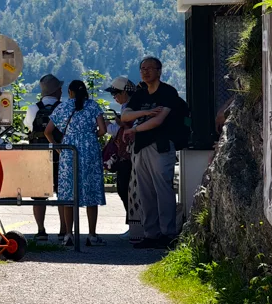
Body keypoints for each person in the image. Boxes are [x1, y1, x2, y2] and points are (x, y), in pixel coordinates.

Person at [120, 56, 184, 247]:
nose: (145, 71)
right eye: (142, 68)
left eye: (149, 68)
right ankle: (151, 234)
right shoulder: (140, 94)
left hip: (162, 146)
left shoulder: (168, 92)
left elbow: (159, 120)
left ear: (159, 70)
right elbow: (125, 115)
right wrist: (145, 113)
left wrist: (134, 129)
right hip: (141, 147)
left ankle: (168, 233)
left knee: (163, 189)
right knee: (145, 191)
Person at [45, 79, 107, 246]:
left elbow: (48, 131)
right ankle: (92, 235)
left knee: (67, 193)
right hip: (90, 151)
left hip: (68, 150)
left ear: (70, 92)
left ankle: (68, 235)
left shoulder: (63, 107)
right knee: (91, 191)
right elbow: (103, 130)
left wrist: (58, 147)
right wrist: (90, 137)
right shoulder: (93, 106)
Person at [23, 73, 66, 239]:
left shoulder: (33, 108)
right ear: (57, 91)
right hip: (61, 154)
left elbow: (28, 127)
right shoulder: (63, 108)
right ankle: (64, 231)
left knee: (39, 195)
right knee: (63, 193)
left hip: (38, 155)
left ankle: (41, 230)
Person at [103, 76, 136, 228]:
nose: (114, 97)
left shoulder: (130, 108)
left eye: (115, 93)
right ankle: (132, 222)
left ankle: (133, 222)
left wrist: (108, 125)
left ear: (124, 93)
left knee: (124, 189)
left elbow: (122, 131)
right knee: (125, 189)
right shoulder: (128, 106)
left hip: (128, 155)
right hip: (128, 154)